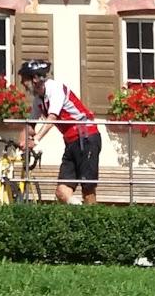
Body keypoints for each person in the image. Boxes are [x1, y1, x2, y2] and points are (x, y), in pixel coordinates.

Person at [17, 58, 101, 204]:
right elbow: (30, 124)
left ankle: (93, 220)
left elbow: (52, 117)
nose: (22, 83)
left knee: (88, 189)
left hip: (86, 138)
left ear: (35, 79)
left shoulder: (54, 88)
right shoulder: (39, 99)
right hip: (71, 142)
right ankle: (81, 218)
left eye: (24, 79)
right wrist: (21, 140)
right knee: (62, 192)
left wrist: (35, 140)